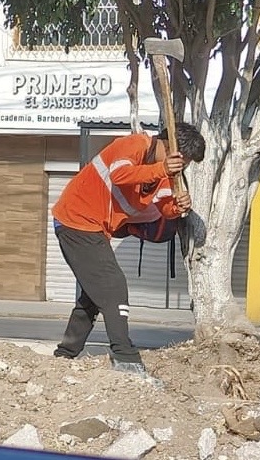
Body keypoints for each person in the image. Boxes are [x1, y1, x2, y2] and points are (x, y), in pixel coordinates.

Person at [51, 122, 206, 376]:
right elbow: (119, 176)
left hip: (96, 228)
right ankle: (124, 355)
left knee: (93, 295)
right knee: (113, 286)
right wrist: (161, 169)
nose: (182, 167)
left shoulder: (166, 175)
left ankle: (65, 354)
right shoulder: (134, 145)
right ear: (168, 147)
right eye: (182, 159)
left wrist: (179, 206)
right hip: (75, 219)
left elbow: (165, 208)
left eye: (186, 164)